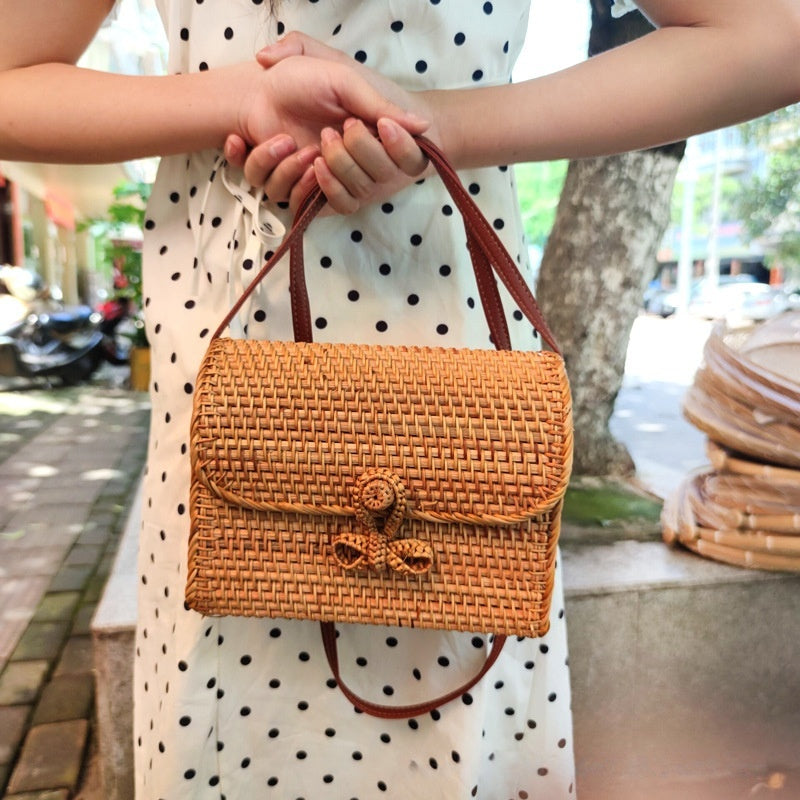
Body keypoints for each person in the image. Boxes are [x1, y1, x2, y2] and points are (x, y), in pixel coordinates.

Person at [2, 1, 798, 797]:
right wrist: (233, 100)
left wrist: (440, 123)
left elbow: (773, 32)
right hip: (241, 368)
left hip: (459, 363)